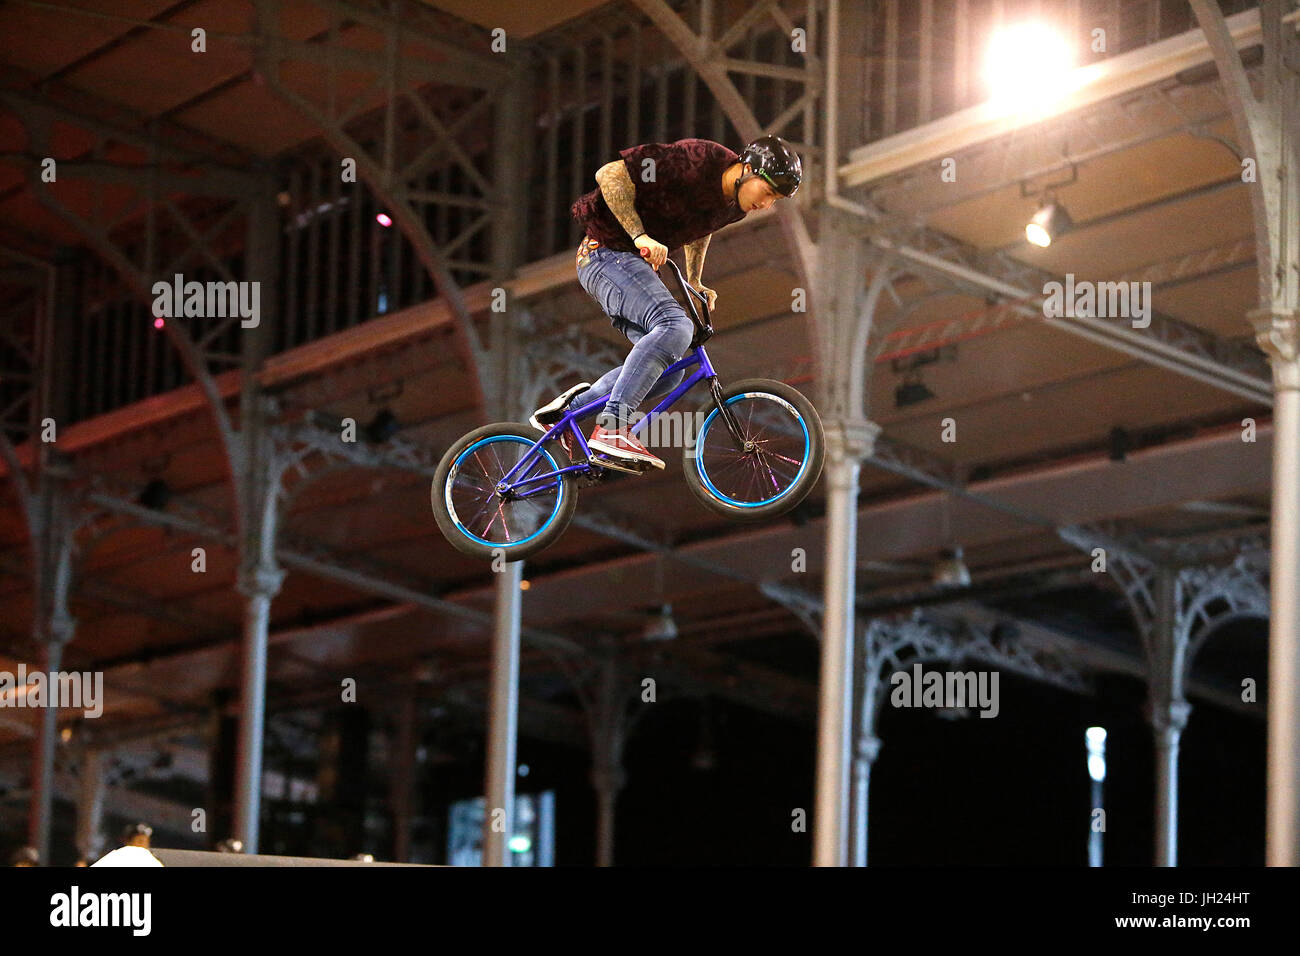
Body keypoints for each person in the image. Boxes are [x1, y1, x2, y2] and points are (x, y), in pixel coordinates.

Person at [530, 135, 802, 471]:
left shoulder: (734, 207)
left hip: (626, 265)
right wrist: (639, 235)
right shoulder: (695, 160)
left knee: (669, 372)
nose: (767, 204)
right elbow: (609, 175)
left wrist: (695, 279)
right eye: (769, 192)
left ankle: (566, 413)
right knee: (675, 325)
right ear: (747, 169)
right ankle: (613, 426)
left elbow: (703, 226)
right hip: (605, 254)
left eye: (776, 199)